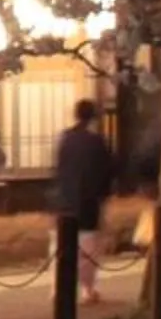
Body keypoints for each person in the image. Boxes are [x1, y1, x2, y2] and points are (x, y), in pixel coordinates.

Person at [51, 98, 116, 306]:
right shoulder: (97, 142)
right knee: (88, 249)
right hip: (88, 202)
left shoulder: (65, 138)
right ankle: (87, 289)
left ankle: (58, 288)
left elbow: (58, 169)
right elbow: (107, 171)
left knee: (61, 246)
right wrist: (105, 195)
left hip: (64, 201)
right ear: (93, 117)